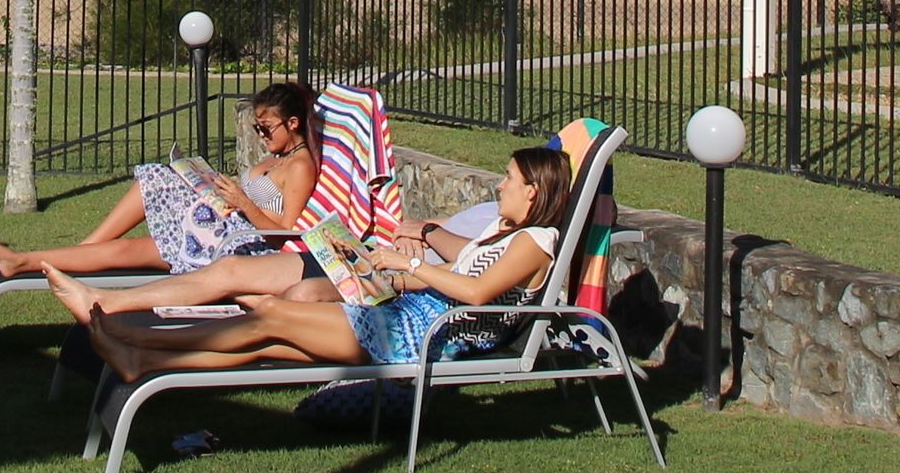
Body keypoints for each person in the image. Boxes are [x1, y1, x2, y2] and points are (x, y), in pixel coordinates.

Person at [44, 145, 573, 383]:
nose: (499, 184)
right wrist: (428, 237)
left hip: (417, 333)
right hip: (408, 311)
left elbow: (478, 294)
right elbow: (467, 260)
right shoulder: (508, 232)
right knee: (268, 341)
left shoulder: (538, 241)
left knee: (270, 318)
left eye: (509, 179)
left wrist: (410, 269)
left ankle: (130, 336)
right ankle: (142, 361)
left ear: (533, 192)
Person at [0, 79, 317, 279]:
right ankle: (60, 256)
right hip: (221, 225)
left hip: (238, 245)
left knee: (125, 249)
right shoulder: (277, 157)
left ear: (293, 123)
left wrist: (241, 200)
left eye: (266, 128)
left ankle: (32, 260)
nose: (260, 135)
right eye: (257, 128)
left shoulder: (300, 167)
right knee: (157, 177)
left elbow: (284, 232)